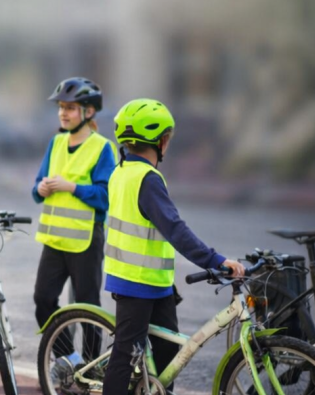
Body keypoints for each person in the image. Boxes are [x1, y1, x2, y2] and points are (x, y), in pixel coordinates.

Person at [100, 99, 245, 395]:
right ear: (161, 141)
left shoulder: (122, 171)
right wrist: (216, 260)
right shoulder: (147, 179)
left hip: (155, 283)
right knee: (125, 358)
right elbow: (176, 230)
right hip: (134, 283)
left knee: (169, 358)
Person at [31, 78, 115, 367]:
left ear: (89, 112)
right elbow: (36, 187)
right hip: (54, 241)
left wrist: (72, 187)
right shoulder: (55, 143)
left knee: (89, 310)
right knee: (43, 302)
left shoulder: (102, 148)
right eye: (61, 108)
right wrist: (39, 189)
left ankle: (93, 369)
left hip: (85, 241)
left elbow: (106, 197)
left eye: (70, 108)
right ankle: (70, 361)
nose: (63, 113)